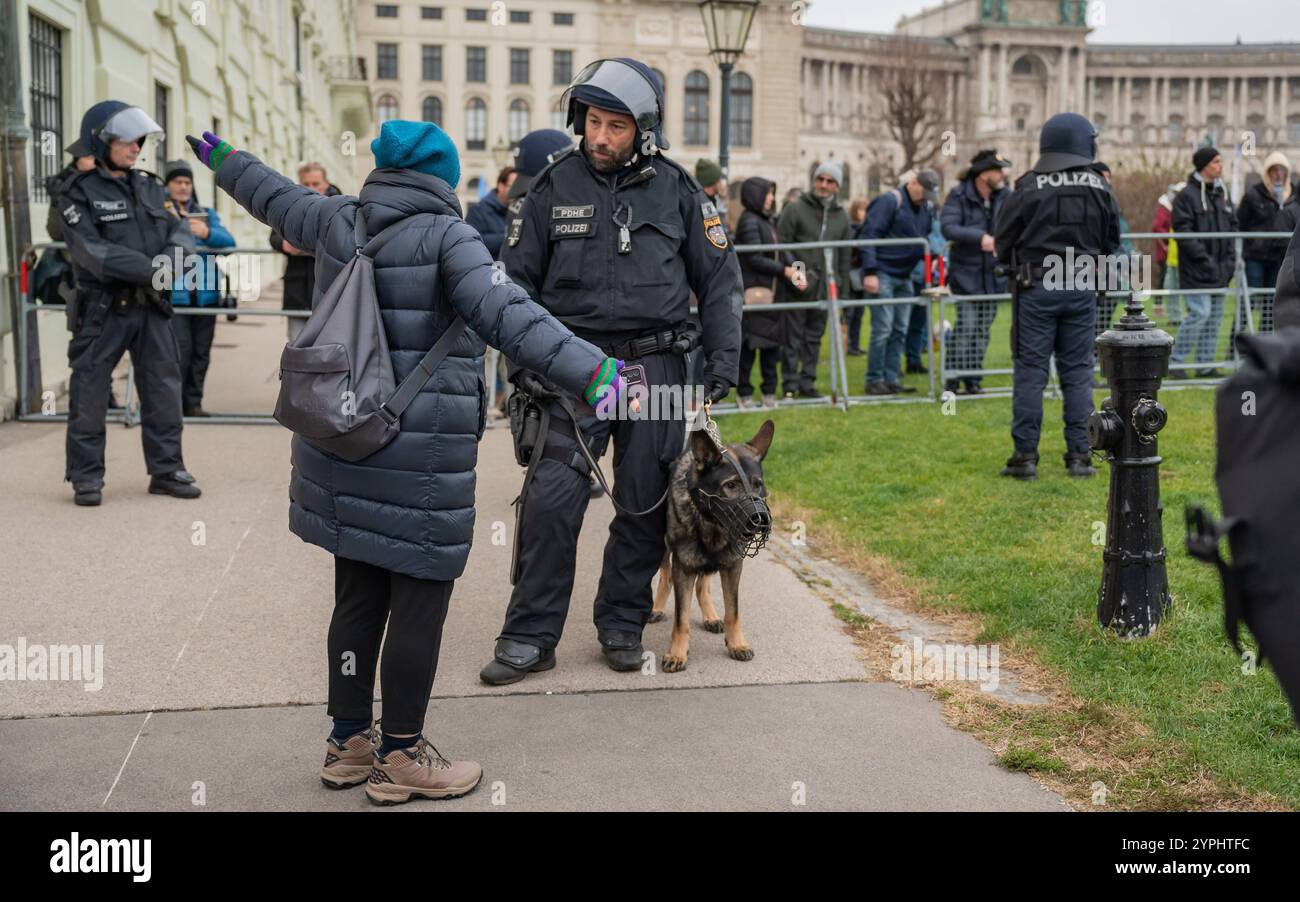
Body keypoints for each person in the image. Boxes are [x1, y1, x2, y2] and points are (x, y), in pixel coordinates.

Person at [187, 119, 625, 803]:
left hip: (342, 440)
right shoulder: (451, 237)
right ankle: (400, 760)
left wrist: (219, 155)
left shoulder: (335, 217)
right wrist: (598, 374)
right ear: (441, 177)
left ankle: (347, 744)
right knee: (418, 603)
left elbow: (266, 193)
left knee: (356, 597)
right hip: (420, 459)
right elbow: (511, 314)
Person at [479, 57, 743, 684]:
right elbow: (511, 289)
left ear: (643, 129)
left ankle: (622, 623)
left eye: (616, 126)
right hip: (572, 366)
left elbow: (722, 283)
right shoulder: (545, 190)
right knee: (551, 498)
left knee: (646, 502)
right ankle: (529, 634)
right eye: (594, 121)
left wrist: (722, 366)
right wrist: (527, 367)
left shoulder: (681, 192)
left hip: (656, 369)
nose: (600, 137)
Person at [59, 101, 200, 506]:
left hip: (152, 307)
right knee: (89, 392)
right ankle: (86, 477)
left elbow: (182, 234)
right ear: (101, 141)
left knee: (162, 390)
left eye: (139, 140)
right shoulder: (77, 193)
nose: (136, 146)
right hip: (103, 308)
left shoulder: (151, 186)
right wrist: (156, 270)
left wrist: (167, 267)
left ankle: (167, 470)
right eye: (126, 139)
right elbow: (92, 252)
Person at [994, 112, 1121, 480]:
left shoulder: (1028, 185)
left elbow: (1003, 239)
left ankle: (1025, 457)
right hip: (1081, 288)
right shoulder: (1099, 185)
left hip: (1036, 288)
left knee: (1031, 373)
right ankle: (1080, 454)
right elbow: (1112, 241)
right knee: (1078, 373)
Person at [160, 160, 235, 417]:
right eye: (177, 182)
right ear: (167, 186)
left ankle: (193, 404)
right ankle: (174, 405)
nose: (183, 187)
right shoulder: (159, 212)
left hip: (206, 294)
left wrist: (205, 232)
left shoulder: (205, 213)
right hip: (175, 295)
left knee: (201, 353)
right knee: (179, 352)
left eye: (187, 182)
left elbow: (228, 242)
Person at [777, 161, 852, 399]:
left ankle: (807, 382)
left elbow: (844, 256)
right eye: (820, 179)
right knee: (792, 338)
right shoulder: (795, 208)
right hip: (798, 284)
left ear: (837, 186)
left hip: (824, 287)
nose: (824, 185)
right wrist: (797, 272)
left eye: (830, 181)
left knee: (814, 337)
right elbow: (783, 244)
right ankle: (789, 384)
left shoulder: (842, 217)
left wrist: (841, 289)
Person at [861, 169, 939, 395]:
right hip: (883, 273)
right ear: (913, 183)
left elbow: (922, 238)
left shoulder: (924, 208)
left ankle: (891, 378)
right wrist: (870, 271)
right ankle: (874, 379)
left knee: (899, 330)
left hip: (905, 275)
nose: (925, 198)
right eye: (923, 192)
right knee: (883, 328)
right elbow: (869, 235)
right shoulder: (889, 201)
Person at [942, 149, 1011, 395]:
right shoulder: (958, 195)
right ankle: (952, 378)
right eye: (997, 170)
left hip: (993, 276)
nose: (1002, 175)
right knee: (966, 328)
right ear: (983, 174)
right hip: (966, 275)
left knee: (982, 330)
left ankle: (973, 379)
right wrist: (979, 237)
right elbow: (948, 227)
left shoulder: (1005, 196)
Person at [735, 176, 805, 408]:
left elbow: (779, 250)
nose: (772, 198)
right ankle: (744, 394)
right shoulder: (749, 221)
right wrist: (783, 270)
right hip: (756, 295)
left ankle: (769, 393)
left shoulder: (767, 220)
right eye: (768, 193)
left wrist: (795, 270)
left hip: (772, 296)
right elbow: (754, 257)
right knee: (749, 349)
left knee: (770, 349)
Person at [1170, 146, 1237, 378]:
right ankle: (1176, 362)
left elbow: (1233, 226)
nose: (1221, 166)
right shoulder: (1186, 196)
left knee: (1215, 318)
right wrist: (1205, 259)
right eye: (1216, 162)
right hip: (1197, 269)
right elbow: (1183, 231)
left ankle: (1205, 364)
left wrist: (1230, 260)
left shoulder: (1223, 194)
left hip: (1221, 268)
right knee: (1200, 315)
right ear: (1204, 166)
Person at [270, 162, 340, 342]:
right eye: (306, 184)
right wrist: (285, 245)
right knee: (297, 349)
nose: (311, 189)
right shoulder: (287, 206)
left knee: (329, 349)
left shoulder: (342, 206)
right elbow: (274, 237)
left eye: (316, 184)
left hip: (331, 292)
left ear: (326, 184)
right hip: (297, 292)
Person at [1238, 151, 1300, 334]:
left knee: (1271, 302)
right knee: (1249, 300)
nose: (1278, 174)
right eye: (1274, 170)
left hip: (1279, 258)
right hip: (1256, 256)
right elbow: (1240, 222)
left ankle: (1266, 342)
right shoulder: (1254, 195)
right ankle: (1236, 343)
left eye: (1282, 170)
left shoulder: (1293, 195)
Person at [1091, 162, 1134, 345]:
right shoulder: (1088, 203)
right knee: (1091, 314)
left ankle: (1097, 350)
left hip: (1114, 267)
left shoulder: (1112, 201)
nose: (1107, 181)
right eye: (1103, 177)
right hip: (1094, 269)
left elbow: (1122, 236)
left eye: (1109, 177)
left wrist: (1128, 261)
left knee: (1107, 312)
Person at [465, 165, 516, 260]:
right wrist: (509, 238)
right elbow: (471, 242)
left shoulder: (519, 211)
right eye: (513, 186)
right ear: (501, 186)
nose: (517, 191)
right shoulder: (477, 210)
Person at [1151, 181, 1184, 324]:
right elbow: (1157, 227)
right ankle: (1161, 309)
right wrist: (1167, 241)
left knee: (1171, 283)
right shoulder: (1166, 208)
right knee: (1166, 281)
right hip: (1168, 253)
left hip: (1176, 254)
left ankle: (1172, 314)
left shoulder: (1176, 208)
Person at [844, 197, 869, 356]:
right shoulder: (850, 229)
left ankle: (855, 344)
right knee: (849, 312)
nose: (863, 213)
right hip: (850, 273)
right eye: (861, 209)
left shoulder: (866, 229)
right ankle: (846, 344)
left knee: (859, 312)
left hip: (861, 273)